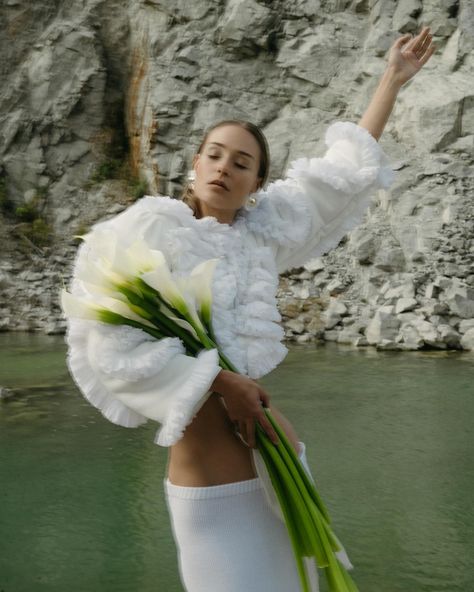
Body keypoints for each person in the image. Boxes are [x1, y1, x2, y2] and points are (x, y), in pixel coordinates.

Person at [64, 28, 435, 592]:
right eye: (214, 155)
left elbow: (339, 175)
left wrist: (391, 79)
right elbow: (112, 347)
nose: (224, 169)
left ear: (257, 183)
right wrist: (221, 382)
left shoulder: (261, 235)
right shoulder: (152, 230)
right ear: (194, 164)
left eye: (242, 163)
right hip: (212, 486)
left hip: (280, 462)